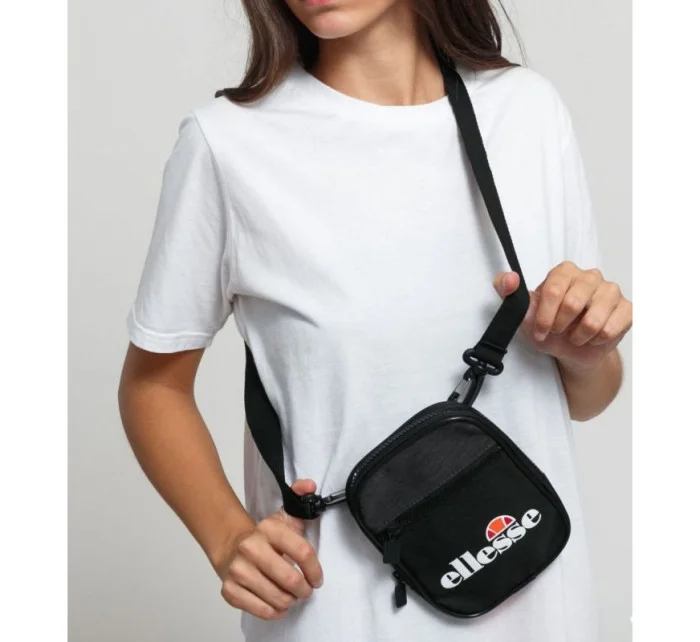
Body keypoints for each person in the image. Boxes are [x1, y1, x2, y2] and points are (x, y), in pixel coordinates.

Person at [117, 0, 632, 641]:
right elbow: (153, 386)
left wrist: (586, 351)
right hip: (338, 610)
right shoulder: (227, 145)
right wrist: (226, 536)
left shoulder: (528, 112)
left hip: (541, 603)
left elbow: (586, 398)